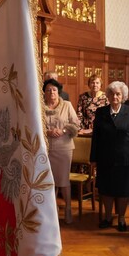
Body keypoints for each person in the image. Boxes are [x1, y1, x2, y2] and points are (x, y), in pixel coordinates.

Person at [90, 81, 129, 231]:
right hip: (105, 158)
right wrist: (93, 158)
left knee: (123, 190)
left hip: (126, 159)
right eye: (112, 93)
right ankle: (107, 217)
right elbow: (96, 138)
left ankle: (121, 218)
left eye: (118, 94)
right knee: (106, 189)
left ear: (123, 96)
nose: (115, 96)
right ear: (107, 95)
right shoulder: (101, 112)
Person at [42, 78, 80, 224]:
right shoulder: (40, 106)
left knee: (63, 180)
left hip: (64, 148)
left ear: (59, 92)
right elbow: (35, 125)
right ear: (44, 93)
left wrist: (63, 130)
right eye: (48, 90)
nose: (51, 92)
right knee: (48, 181)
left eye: (54, 90)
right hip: (45, 149)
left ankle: (68, 209)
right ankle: (52, 210)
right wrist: (47, 132)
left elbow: (75, 125)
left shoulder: (67, 105)